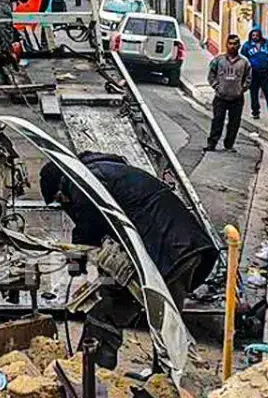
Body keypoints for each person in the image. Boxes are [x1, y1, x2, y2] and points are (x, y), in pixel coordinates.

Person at [40, 153, 219, 370]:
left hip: (169, 249)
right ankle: (153, 381)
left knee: (125, 313)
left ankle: (92, 373)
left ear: (60, 188)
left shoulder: (81, 181)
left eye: (60, 200)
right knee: (161, 323)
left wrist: (75, 265)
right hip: (183, 246)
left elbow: (87, 228)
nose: (65, 204)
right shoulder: (103, 170)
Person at [207, 34, 251, 151]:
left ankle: (229, 145)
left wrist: (242, 89)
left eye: (235, 44)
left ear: (239, 45)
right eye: (230, 43)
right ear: (226, 44)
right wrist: (216, 86)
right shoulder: (219, 60)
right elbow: (211, 73)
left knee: (234, 123)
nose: (232, 46)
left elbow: (248, 77)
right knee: (217, 120)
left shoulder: (244, 62)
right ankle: (212, 143)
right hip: (220, 97)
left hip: (236, 98)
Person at [241, 27, 268, 119]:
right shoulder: (247, 46)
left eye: (257, 35)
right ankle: (255, 111)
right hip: (254, 73)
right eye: (253, 35)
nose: (255, 37)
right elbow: (243, 58)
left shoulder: (266, 44)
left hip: (265, 72)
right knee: (254, 92)